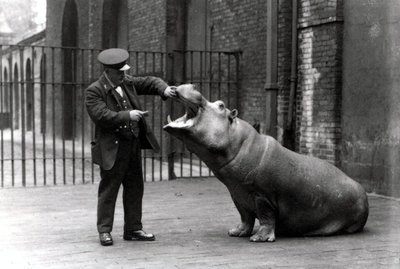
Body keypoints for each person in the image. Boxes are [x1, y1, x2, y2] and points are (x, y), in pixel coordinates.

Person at [85, 48, 176, 246]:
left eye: (124, 72)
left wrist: (164, 89)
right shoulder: (94, 91)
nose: (124, 75)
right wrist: (128, 115)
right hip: (112, 149)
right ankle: (104, 231)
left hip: (132, 145)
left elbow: (150, 81)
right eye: (119, 72)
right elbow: (101, 116)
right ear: (107, 72)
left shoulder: (125, 82)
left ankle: (133, 229)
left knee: (135, 188)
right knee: (109, 190)